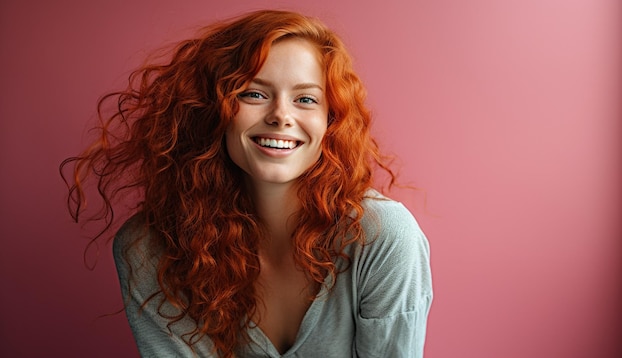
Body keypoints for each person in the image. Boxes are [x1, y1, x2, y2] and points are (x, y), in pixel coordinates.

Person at [61, 9, 432, 358]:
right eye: (254, 93)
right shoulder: (150, 248)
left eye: (305, 99)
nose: (281, 116)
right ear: (211, 110)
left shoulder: (382, 237)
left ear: (330, 122)